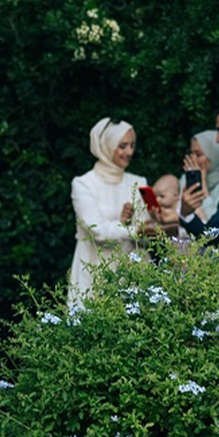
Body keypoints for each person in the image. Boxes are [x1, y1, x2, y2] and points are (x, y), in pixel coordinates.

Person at [68, 118, 151, 310]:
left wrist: (147, 228)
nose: (129, 152)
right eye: (122, 146)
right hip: (93, 268)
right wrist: (132, 227)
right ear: (105, 146)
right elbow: (98, 231)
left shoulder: (139, 182)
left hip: (131, 270)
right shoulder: (84, 184)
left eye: (132, 145)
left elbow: (146, 234)